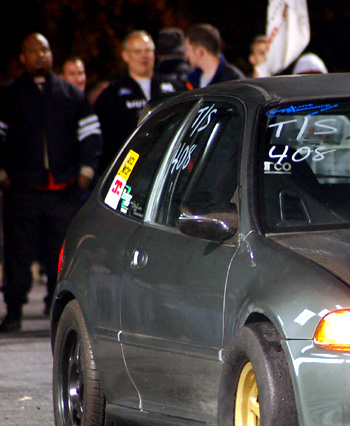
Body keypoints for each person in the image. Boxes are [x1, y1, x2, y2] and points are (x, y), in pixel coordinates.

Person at [0, 33, 101, 331]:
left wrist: (86, 171)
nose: (40, 55)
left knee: (62, 255)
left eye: (44, 49)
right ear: (23, 58)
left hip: (64, 191)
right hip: (22, 191)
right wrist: (2, 175)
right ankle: (14, 312)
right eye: (33, 51)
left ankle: (60, 313)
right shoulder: (9, 95)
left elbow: (91, 135)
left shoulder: (70, 94)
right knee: (17, 255)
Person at [93, 30, 184, 171]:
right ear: (125, 55)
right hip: (129, 168)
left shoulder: (174, 87)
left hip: (168, 165)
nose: (144, 56)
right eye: (137, 51)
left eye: (148, 51)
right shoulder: (112, 95)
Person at [184, 23, 245, 89]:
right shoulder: (191, 78)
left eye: (187, 49)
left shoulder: (234, 81)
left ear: (200, 51)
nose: (186, 55)